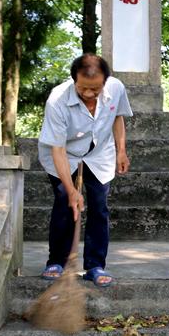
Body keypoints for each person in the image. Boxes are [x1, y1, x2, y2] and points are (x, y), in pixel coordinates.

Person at [37, 53, 132, 287]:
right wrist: (71, 191)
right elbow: (57, 149)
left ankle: (95, 265)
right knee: (63, 202)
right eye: (83, 89)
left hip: (99, 153)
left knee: (99, 206)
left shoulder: (116, 88)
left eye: (95, 89)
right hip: (65, 154)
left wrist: (121, 150)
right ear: (74, 80)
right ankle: (56, 261)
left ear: (106, 81)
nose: (89, 94)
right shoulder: (57, 99)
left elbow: (118, 117)